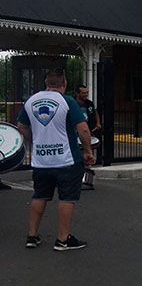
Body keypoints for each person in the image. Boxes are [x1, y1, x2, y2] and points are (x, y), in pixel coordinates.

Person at [17, 68, 95, 251]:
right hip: (66, 160)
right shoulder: (67, 101)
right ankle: (62, 239)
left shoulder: (31, 101)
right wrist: (87, 151)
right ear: (64, 84)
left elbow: (21, 126)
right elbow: (83, 129)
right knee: (67, 198)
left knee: (39, 195)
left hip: (41, 161)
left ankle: (32, 236)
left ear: (46, 83)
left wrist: (35, 142)